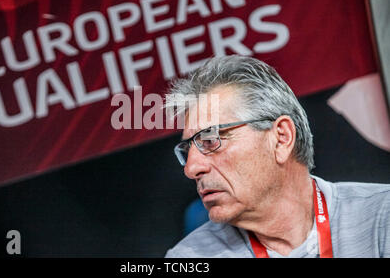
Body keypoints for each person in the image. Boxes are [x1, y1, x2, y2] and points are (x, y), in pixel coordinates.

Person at [164, 55, 390, 258]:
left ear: (281, 138)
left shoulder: (382, 218)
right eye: (187, 150)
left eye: (211, 140)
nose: (191, 168)